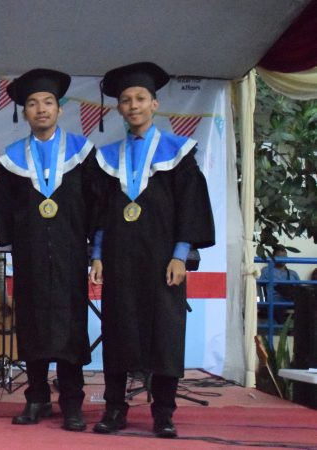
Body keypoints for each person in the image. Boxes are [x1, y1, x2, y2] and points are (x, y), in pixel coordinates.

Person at [89, 62, 215, 438]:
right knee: (117, 329)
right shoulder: (107, 158)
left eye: (140, 98)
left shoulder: (179, 153)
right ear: (119, 108)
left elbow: (189, 209)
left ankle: (163, 413)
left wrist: (180, 255)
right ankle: (114, 409)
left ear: (154, 104)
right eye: (126, 100)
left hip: (163, 260)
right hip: (119, 258)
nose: (133, 105)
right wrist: (97, 255)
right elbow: (100, 213)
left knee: (165, 333)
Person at [0, 68, 97, 432]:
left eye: (48, 102)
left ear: (59, 109)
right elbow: (5, 207)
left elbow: (95, 203)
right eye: (33, 103)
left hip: (70, 253)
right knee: (32, 325)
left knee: (71, 327)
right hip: (30, 255)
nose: (41, 109)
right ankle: (36, 398)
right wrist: (13, 242)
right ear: (24, 112)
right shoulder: (12, 159)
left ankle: (72, 402)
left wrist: (94, 247)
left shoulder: (82, 153)